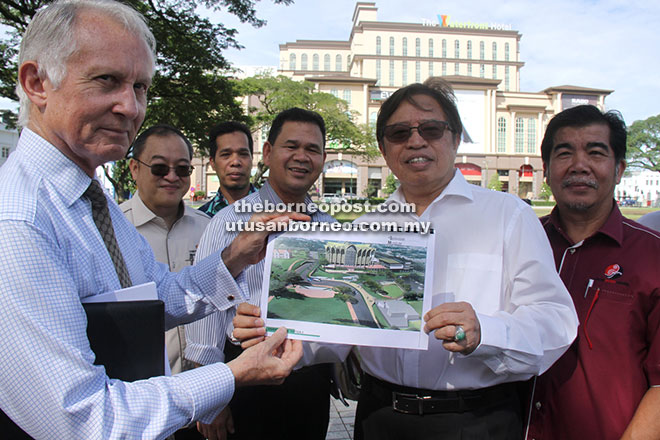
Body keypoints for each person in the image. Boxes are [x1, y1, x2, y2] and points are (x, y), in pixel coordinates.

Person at [0, 1, 302, 438]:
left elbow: (155, 298)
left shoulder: (90, 201)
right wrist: (232, 376)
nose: (130, 107)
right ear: (37, 82)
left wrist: (236, 256)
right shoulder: (20, 220)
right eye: (107, 80)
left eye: (141, 87)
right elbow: (84, 419)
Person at [234, 82, 579, 440]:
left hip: (476, 419)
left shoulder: (508, 215)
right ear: (384, 149)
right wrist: (274, 328)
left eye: (431, 129)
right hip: (380, 416)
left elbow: (554, 320)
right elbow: (340, 334)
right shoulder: (364, 229)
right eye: (400, 133)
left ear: (455, 138)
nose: (416, 141)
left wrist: (485, 332)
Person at [185, 108, 335, 440]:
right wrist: (213, 402)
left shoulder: (331, 229)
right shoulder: (228, 222)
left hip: (309, 384)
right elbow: (205, 321)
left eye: (312, 149)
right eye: (291, 146)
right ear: (268, 153)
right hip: (244, 381)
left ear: (323, 158)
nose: (301, 157)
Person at [525, 105, 660, 440]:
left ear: (618, 170)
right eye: (564, 152)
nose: (579, 165)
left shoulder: (653, 254)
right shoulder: (519, 242)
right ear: (546, 168)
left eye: (596, 152)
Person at [121, 124, 212, 376]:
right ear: (135, 169)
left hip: (203, 384)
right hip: (140, 389)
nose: (172, 177)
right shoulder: (113, 230)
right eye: (160, 168)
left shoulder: (208, 229)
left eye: (182, 169)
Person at [198, 121, 256, 217]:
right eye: (226, 155)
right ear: (212, 162)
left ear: (251, 158)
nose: (235, 162)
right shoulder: (201, 219)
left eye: (243, 154)